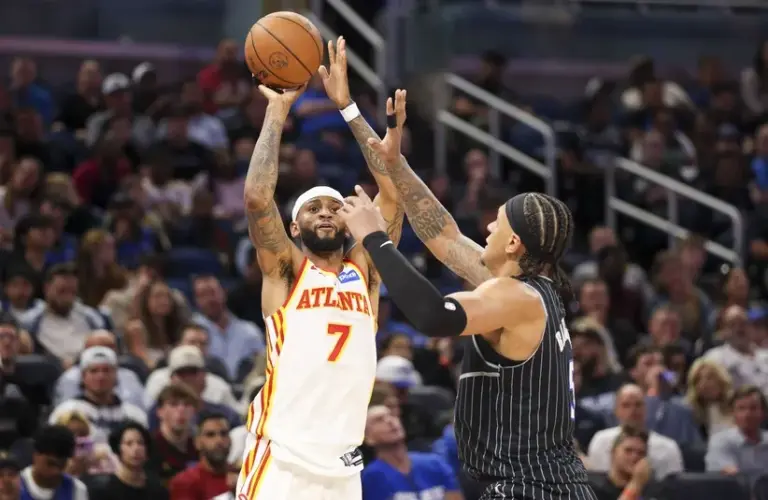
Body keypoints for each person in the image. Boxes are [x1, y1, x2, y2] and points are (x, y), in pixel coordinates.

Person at [339, 89, 595, 499]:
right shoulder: (532, 293)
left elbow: (435, 316)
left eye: (497, 224)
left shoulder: (517, 298)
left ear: (514, 245)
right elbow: (443, 233)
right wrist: (390, 158)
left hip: (531, 489)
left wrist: (373, 237)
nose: (488, 229)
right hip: (544, 486)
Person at [235, 37, 403, 500]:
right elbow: (255, 199)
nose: (327, 212)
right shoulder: (285, 271)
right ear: (294, 225)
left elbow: (392, 195)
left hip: (344, 464)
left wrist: (348, 108)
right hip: (283, 455)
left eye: (335, 206)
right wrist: (277, 110)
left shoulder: (365, 271)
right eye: (314, 208)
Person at [362, 405, 463, 500]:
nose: (390, 421)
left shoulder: (435, 463)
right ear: (368, 438)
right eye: (379, 420)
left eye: (392, 415)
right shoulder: (370, 477)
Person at [87, 422, 168, 500]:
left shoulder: (157, 490)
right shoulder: (103, 490)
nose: (136, 449)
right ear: (118, 449)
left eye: (140, 443)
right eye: (129, 443)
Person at [20, 425, 88, 500]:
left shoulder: (76, 489)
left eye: (61, 466)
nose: (56, 472)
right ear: (35, 456)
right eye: (50, 464)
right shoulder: (14, 486)